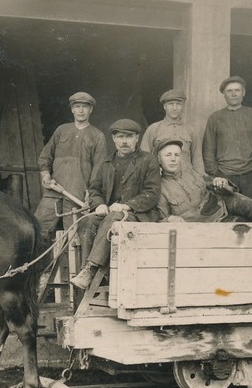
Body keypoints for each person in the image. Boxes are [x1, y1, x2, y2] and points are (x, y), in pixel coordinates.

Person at [154, 139, 252, 258]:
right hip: (213, 223)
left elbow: (217, 185)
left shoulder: (191, 173)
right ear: (159, 159)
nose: (173, 158)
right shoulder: (159, 188)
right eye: (168, 155)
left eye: (176, 155)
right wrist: (170, 219)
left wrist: (220, 182)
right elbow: (159, 219)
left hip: (224, 201)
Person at [70, 119, 162, 289]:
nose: (124, 141)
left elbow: (152, 193)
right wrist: (98, 204)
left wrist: (127, 205)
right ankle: (91, 273)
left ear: (137, 139)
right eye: (120, 137)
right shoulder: (106, 162)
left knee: (114, 218)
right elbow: (94, 188)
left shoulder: (148, 160)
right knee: (87, 221)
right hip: (110, 214)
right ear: (114, 139)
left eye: (129, 136)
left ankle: (91, 269)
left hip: (138, 214)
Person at [35, 92, 107, 244]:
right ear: (72, 110)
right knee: (39, 231)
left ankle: (74, 269)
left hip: (77, 195)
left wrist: (91, 193)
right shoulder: (61, 130)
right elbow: (45, 156)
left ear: (91, 110)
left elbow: (99, 169)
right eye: (77, 106)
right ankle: (42, 268)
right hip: (53, 191)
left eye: (85, 107)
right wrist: (46, 175)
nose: (81, 110)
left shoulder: (97, 136)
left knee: (75, 238)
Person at [202, 76, 252, 202]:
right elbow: (208, 149)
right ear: (224, 94)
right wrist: (216, 173)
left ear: (243, 93)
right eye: (229, 91)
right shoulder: (215, 118)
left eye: (237, 90)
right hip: (225, 174)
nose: (234, 94)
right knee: (227, 212)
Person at [141, 88, 204, 174]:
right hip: (162, 179)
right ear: (164, 106)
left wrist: (200, 180)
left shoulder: (191, 130)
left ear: (183, 106)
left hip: (186, 178)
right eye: (171, 104)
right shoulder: (153, 128)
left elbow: (197, 160)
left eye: (178, 104)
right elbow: (144, 157)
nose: (175, 108)